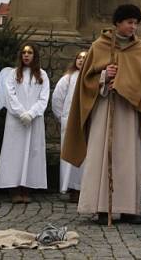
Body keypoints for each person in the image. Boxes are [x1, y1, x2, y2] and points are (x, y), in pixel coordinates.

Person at [61, 4, 141, 225]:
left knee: (128, 158)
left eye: (136, 23)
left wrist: (123, 83)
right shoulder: (100, 46)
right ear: (118, 23)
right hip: (105, 108)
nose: (133, 27)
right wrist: (104, 76)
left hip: (129, 110)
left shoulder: (139, 50)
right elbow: (86, 81)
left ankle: (128, 208)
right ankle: (102, 207)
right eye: (129, 22)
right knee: (102, 155)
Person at [0, 43, 50, 203]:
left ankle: (27, 188)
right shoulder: (13, 74)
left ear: (35, 55)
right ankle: (14, 188)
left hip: (34, 120)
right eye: (24, 52)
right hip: (15, 121)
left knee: (31, 152)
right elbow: (9, 95)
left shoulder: (42, 75)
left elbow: (44, 97)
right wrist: (21, 113)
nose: (26, 55)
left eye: (30, 52)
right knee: (14, 153)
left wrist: (31, 113)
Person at [52, 50, 87, 203]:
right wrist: (63, 118)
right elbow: (57, 99)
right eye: (78, 57)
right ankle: (70, 187)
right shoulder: (67, 78)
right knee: (69, 156)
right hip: (69, 122)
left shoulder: (90, 79)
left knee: (85, 157)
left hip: (86, 123)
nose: (81, 60)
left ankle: (83, 188)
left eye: (85, 58)